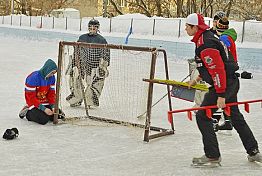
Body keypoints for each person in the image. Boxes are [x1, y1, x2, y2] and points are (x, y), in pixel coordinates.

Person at [185, 13, 262, 166]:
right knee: (235, 116)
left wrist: (221, 95)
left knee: (202, 116)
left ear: (195, 27)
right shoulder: (206, 37)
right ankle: (253, 151)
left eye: (187, 26)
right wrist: (197, 79)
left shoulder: (205, 43)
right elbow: (210, 65)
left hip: (223, 84)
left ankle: (213, 155)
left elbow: (218, 69)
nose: (185, 28)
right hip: (229, 82)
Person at [66, 18, 110, 108]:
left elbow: (106, 54)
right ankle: (76, 98)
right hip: (82, 64)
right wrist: (75, 63)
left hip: (94, 66)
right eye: (91, 27)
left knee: (96, 82)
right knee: (75, 79)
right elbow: (76, 51)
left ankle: (91, 101)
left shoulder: (102, 40)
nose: (92, 29)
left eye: (94, 27)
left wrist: (103, 65)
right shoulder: (82, 38)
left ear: (97, 28)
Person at [18, 59, 62, 125]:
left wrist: (53, 106)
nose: (53, 75)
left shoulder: (52, 78)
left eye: (54, 73)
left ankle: (45, 112)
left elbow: (51, 94)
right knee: (43, 120)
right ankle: (27, 112)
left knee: (58, 116)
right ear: (47, 70)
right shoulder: (33, 78)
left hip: (45, 102)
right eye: (52, 73)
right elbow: (31, 98)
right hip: (34, 103)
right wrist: (44, 109)